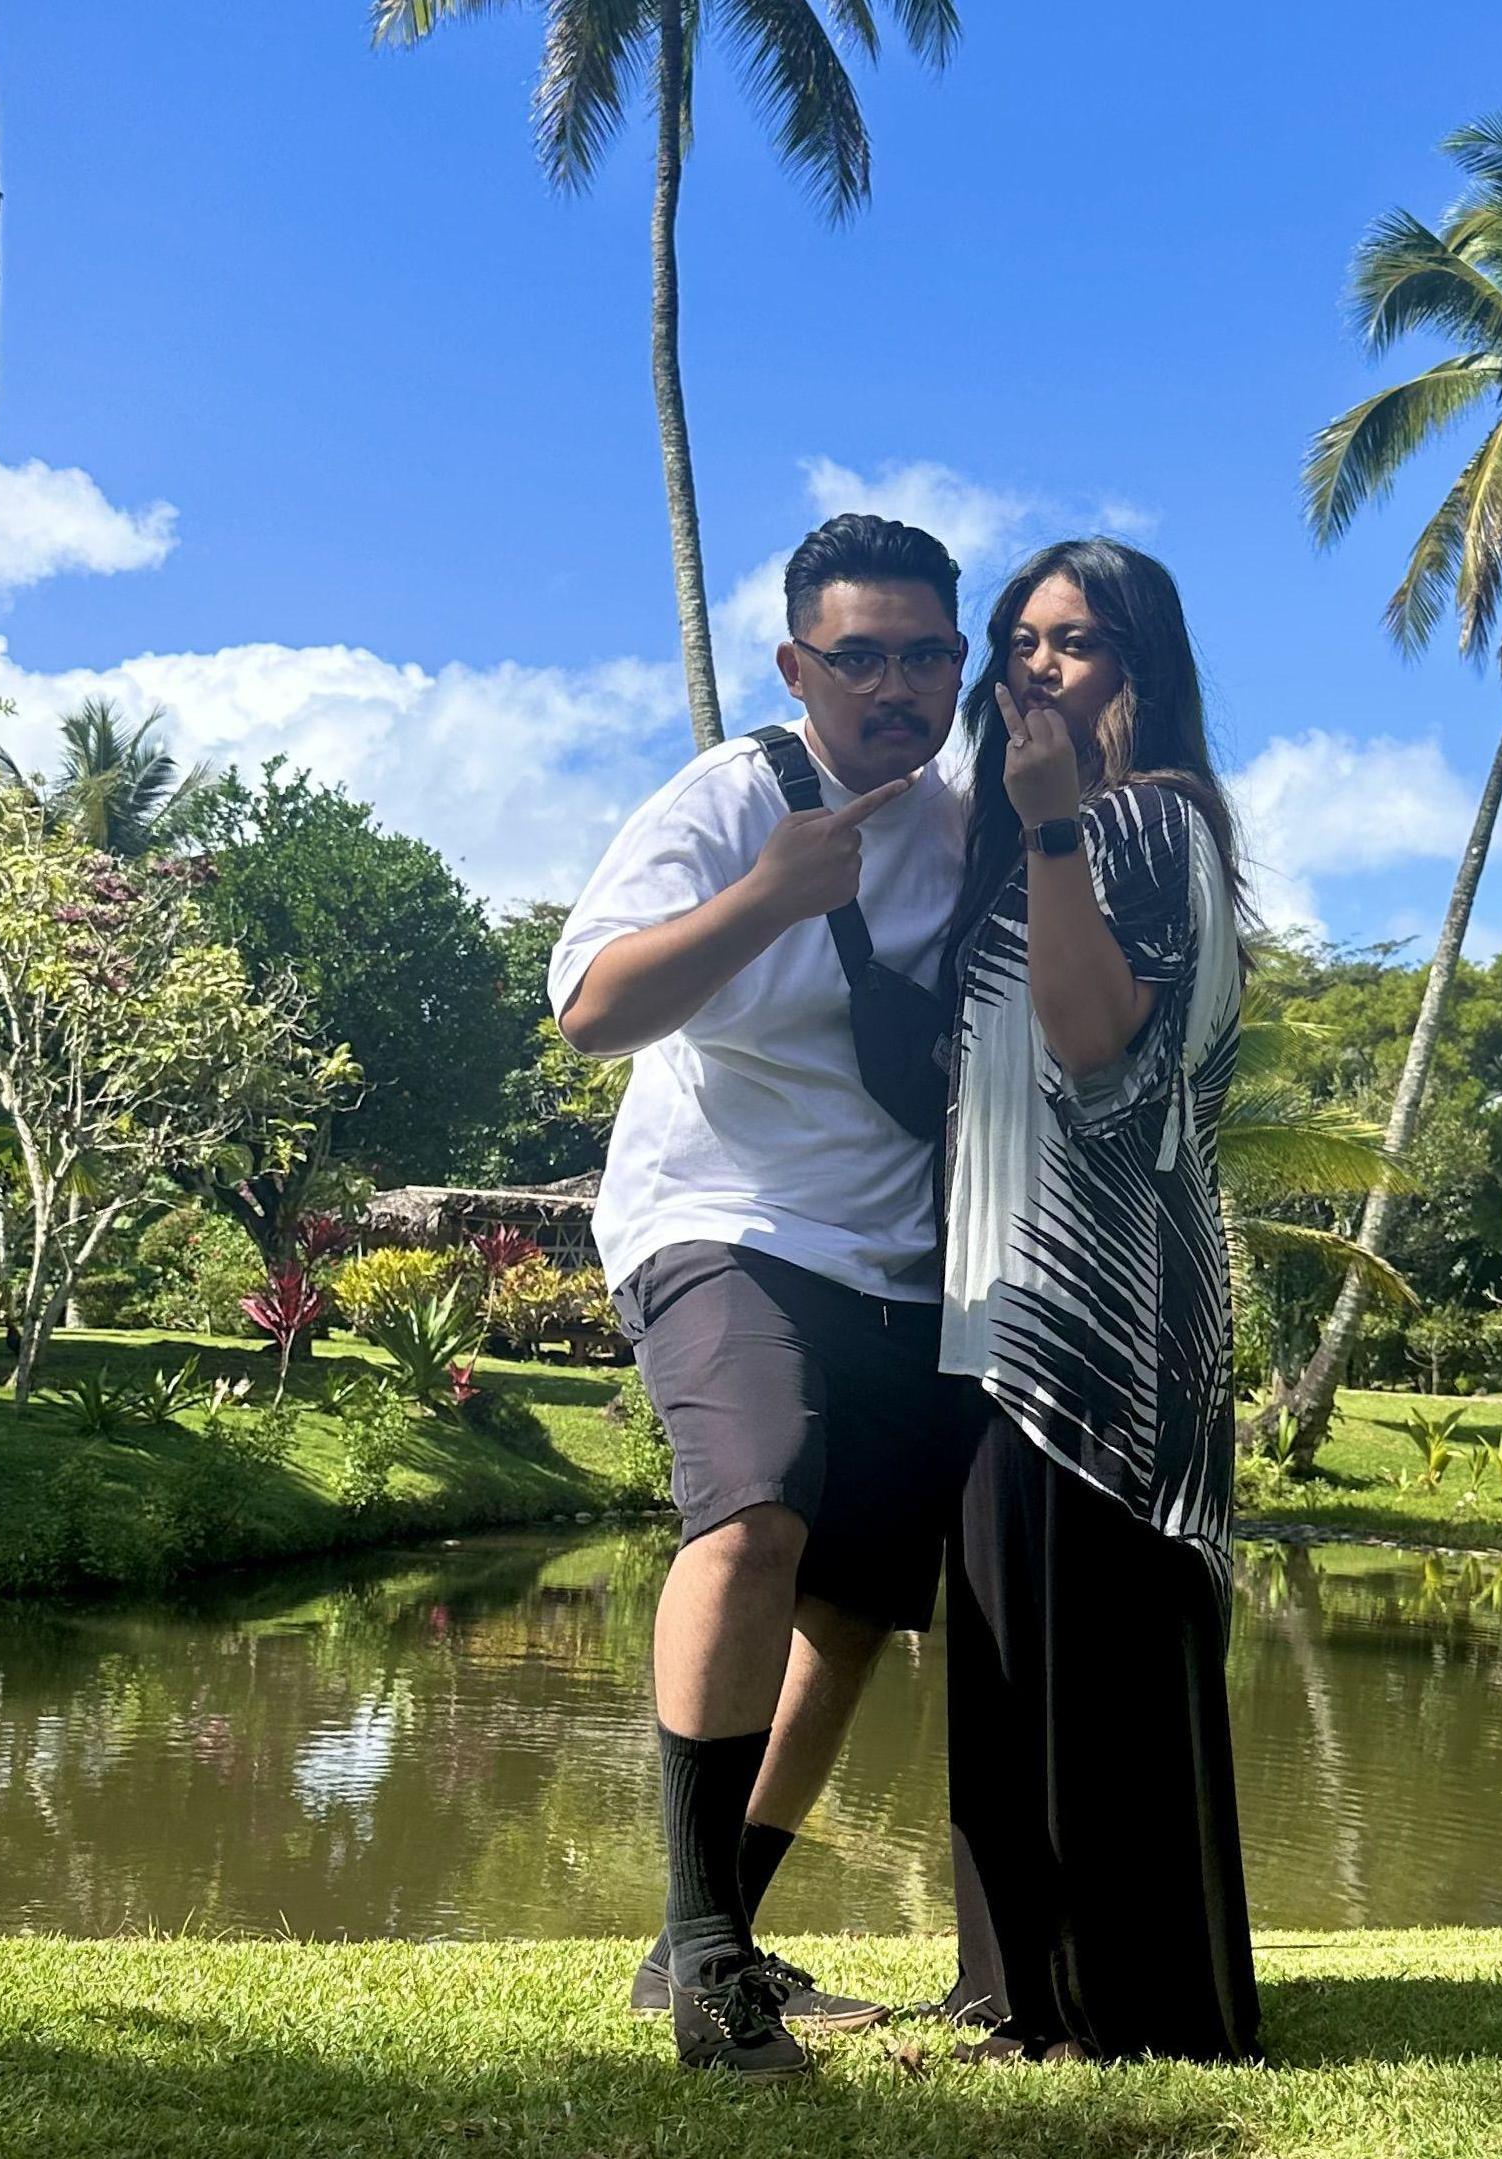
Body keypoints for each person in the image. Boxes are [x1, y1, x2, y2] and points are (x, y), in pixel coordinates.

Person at [549, 513, 977, 2081]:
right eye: (856, 656)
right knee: (750, 1521)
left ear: (957, 665)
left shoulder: (968, 818)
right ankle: (711, 1956)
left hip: (899, 1263)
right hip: (719, 1221)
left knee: (855, 1613)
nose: (892, 685)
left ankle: (708, 1936)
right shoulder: (733, 801)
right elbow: (594, 1008)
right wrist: (773, 896)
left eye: (923, 653)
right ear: (797, 665)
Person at [937, 538, 1262, 2064]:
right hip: (1014, 1302)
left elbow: (1096, 1050)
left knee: (1091, 1663)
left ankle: (1116, 2005)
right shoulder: (1030, 840)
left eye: (1074, 641)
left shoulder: (1143, 824)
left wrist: (1056, 832)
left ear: (1143, 667)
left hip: (1105, 1318)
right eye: (1019, 641)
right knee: (1022, 1661)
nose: (1035, 667)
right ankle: (1023, 1988)